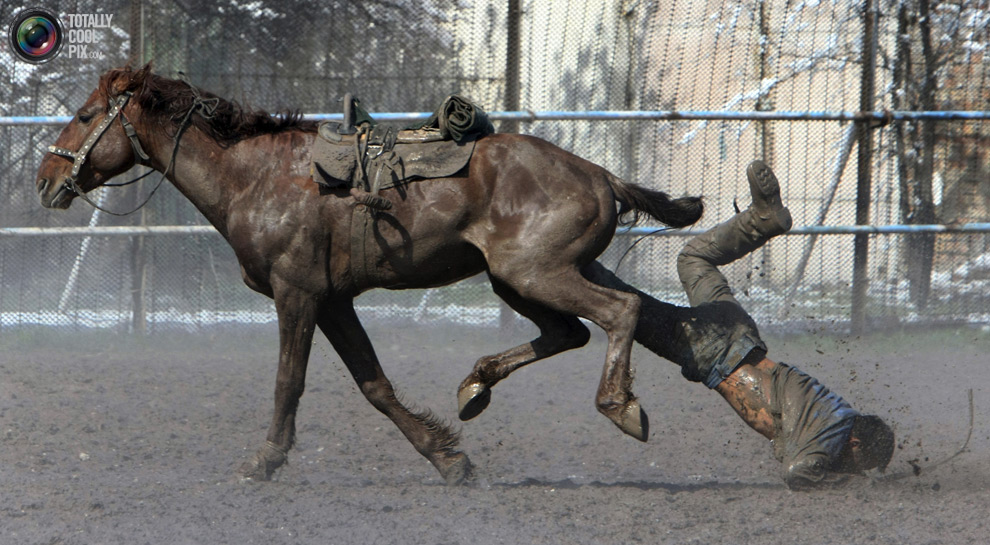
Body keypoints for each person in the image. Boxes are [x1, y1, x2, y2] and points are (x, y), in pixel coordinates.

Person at [582, 160, 895, 489]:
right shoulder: (830, 436)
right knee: (624, 302)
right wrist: (852, 481)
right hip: (715, 352)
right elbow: (798, 475)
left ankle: (760, 220)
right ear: (856, 444)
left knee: (693, 258)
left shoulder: (841, 411)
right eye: (860, 463)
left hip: (739, 329)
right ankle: (569, 264)